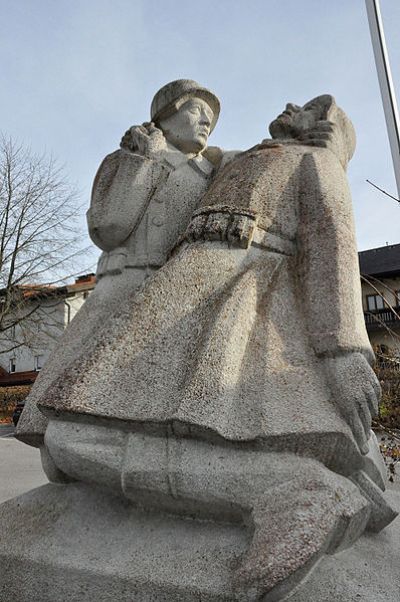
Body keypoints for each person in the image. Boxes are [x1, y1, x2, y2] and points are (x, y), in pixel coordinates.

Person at [19, 94, 398, 599]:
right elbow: (182, 173)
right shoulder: (235, 159)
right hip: (175, 294)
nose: (290, 105)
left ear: (325, 127)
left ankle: (298, 493)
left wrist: (345, 352)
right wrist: (147, 149)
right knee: (64, 441)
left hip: (240, 299)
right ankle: (292, 488)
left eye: (310, 107)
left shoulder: (315, 161)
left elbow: (332, 249)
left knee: (78, 437)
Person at [16, 79, 226, 449]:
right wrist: (146, 161)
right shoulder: (127, 159)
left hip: (176, 292)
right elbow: (110, 226)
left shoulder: (213, 172)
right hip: (122, 284)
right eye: (196, 111)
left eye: (211, 117)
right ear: (166, 117)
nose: (206, 122)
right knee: (74, 390)